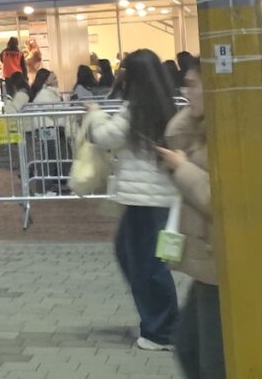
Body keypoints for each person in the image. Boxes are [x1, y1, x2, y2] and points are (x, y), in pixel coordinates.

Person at [85, 49, 179, 351]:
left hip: (144, 200)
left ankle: (161, 331)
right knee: (143, 260)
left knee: (145, 264)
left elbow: (105, 136)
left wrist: (94, 115)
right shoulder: (167, 105)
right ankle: (160, 324)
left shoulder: (135, 109)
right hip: (159, 198)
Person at [157, 60, 223, 379]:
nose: (187, 92)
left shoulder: (231, 133)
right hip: (209, 267)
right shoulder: (204, 126)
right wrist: (197, 107)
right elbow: (175, 134)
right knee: (187, 344)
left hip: (222, 265)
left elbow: (218, 199)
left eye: (194, 85)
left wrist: (183, 168)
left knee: (212, 360)